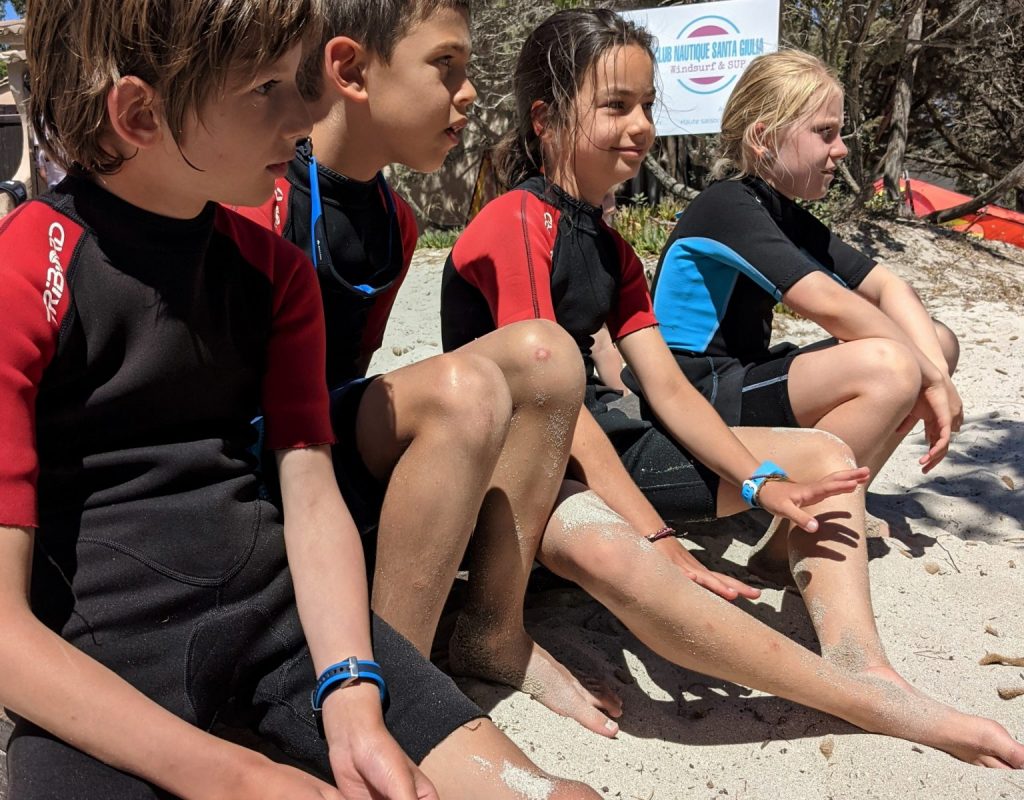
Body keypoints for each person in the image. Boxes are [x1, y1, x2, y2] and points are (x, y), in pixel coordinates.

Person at [0, 1, 597, 797]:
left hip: (282, 618)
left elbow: (309, 490)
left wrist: (353, 691)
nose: (309, 110)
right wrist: (236, 775)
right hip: (99, 658)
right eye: (268, 90)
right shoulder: (24, 275)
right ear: (141, 113)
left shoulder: (272, 272)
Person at [439, 7, 1024, 768]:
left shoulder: (612, 247)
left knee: (820, 459)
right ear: (546, 119)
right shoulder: (516, 221)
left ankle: (860, 658)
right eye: (616, 106)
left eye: (648, 106)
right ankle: (869, 705)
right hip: (516, 470)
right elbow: (549, 402)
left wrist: (760, 478)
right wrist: (654, 534)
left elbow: (669, 394)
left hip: (599, 441)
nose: (641, 125)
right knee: (634, 562)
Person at [234, 0, 597, 742]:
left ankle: (490, 629)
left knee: (548, 355)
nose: (468, 94)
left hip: (329, 438)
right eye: (446, 66)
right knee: (460, 394)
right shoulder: (258, 197)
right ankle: (396, 681)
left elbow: (353, 375)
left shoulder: (397, 223)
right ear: (351, 70)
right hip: (254, 462)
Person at [650, 49, 961, 482]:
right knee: (892, 365)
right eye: (825, 132)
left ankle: (837, 496)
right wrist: (929, 377)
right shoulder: (726, 205)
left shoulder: (778, 210)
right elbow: (826, 303)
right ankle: (799, 531)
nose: (842, 149)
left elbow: (891, 289)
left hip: (743, 377)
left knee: (937, 343)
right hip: (694, 395)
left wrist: (935, 372)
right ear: (762, 137)